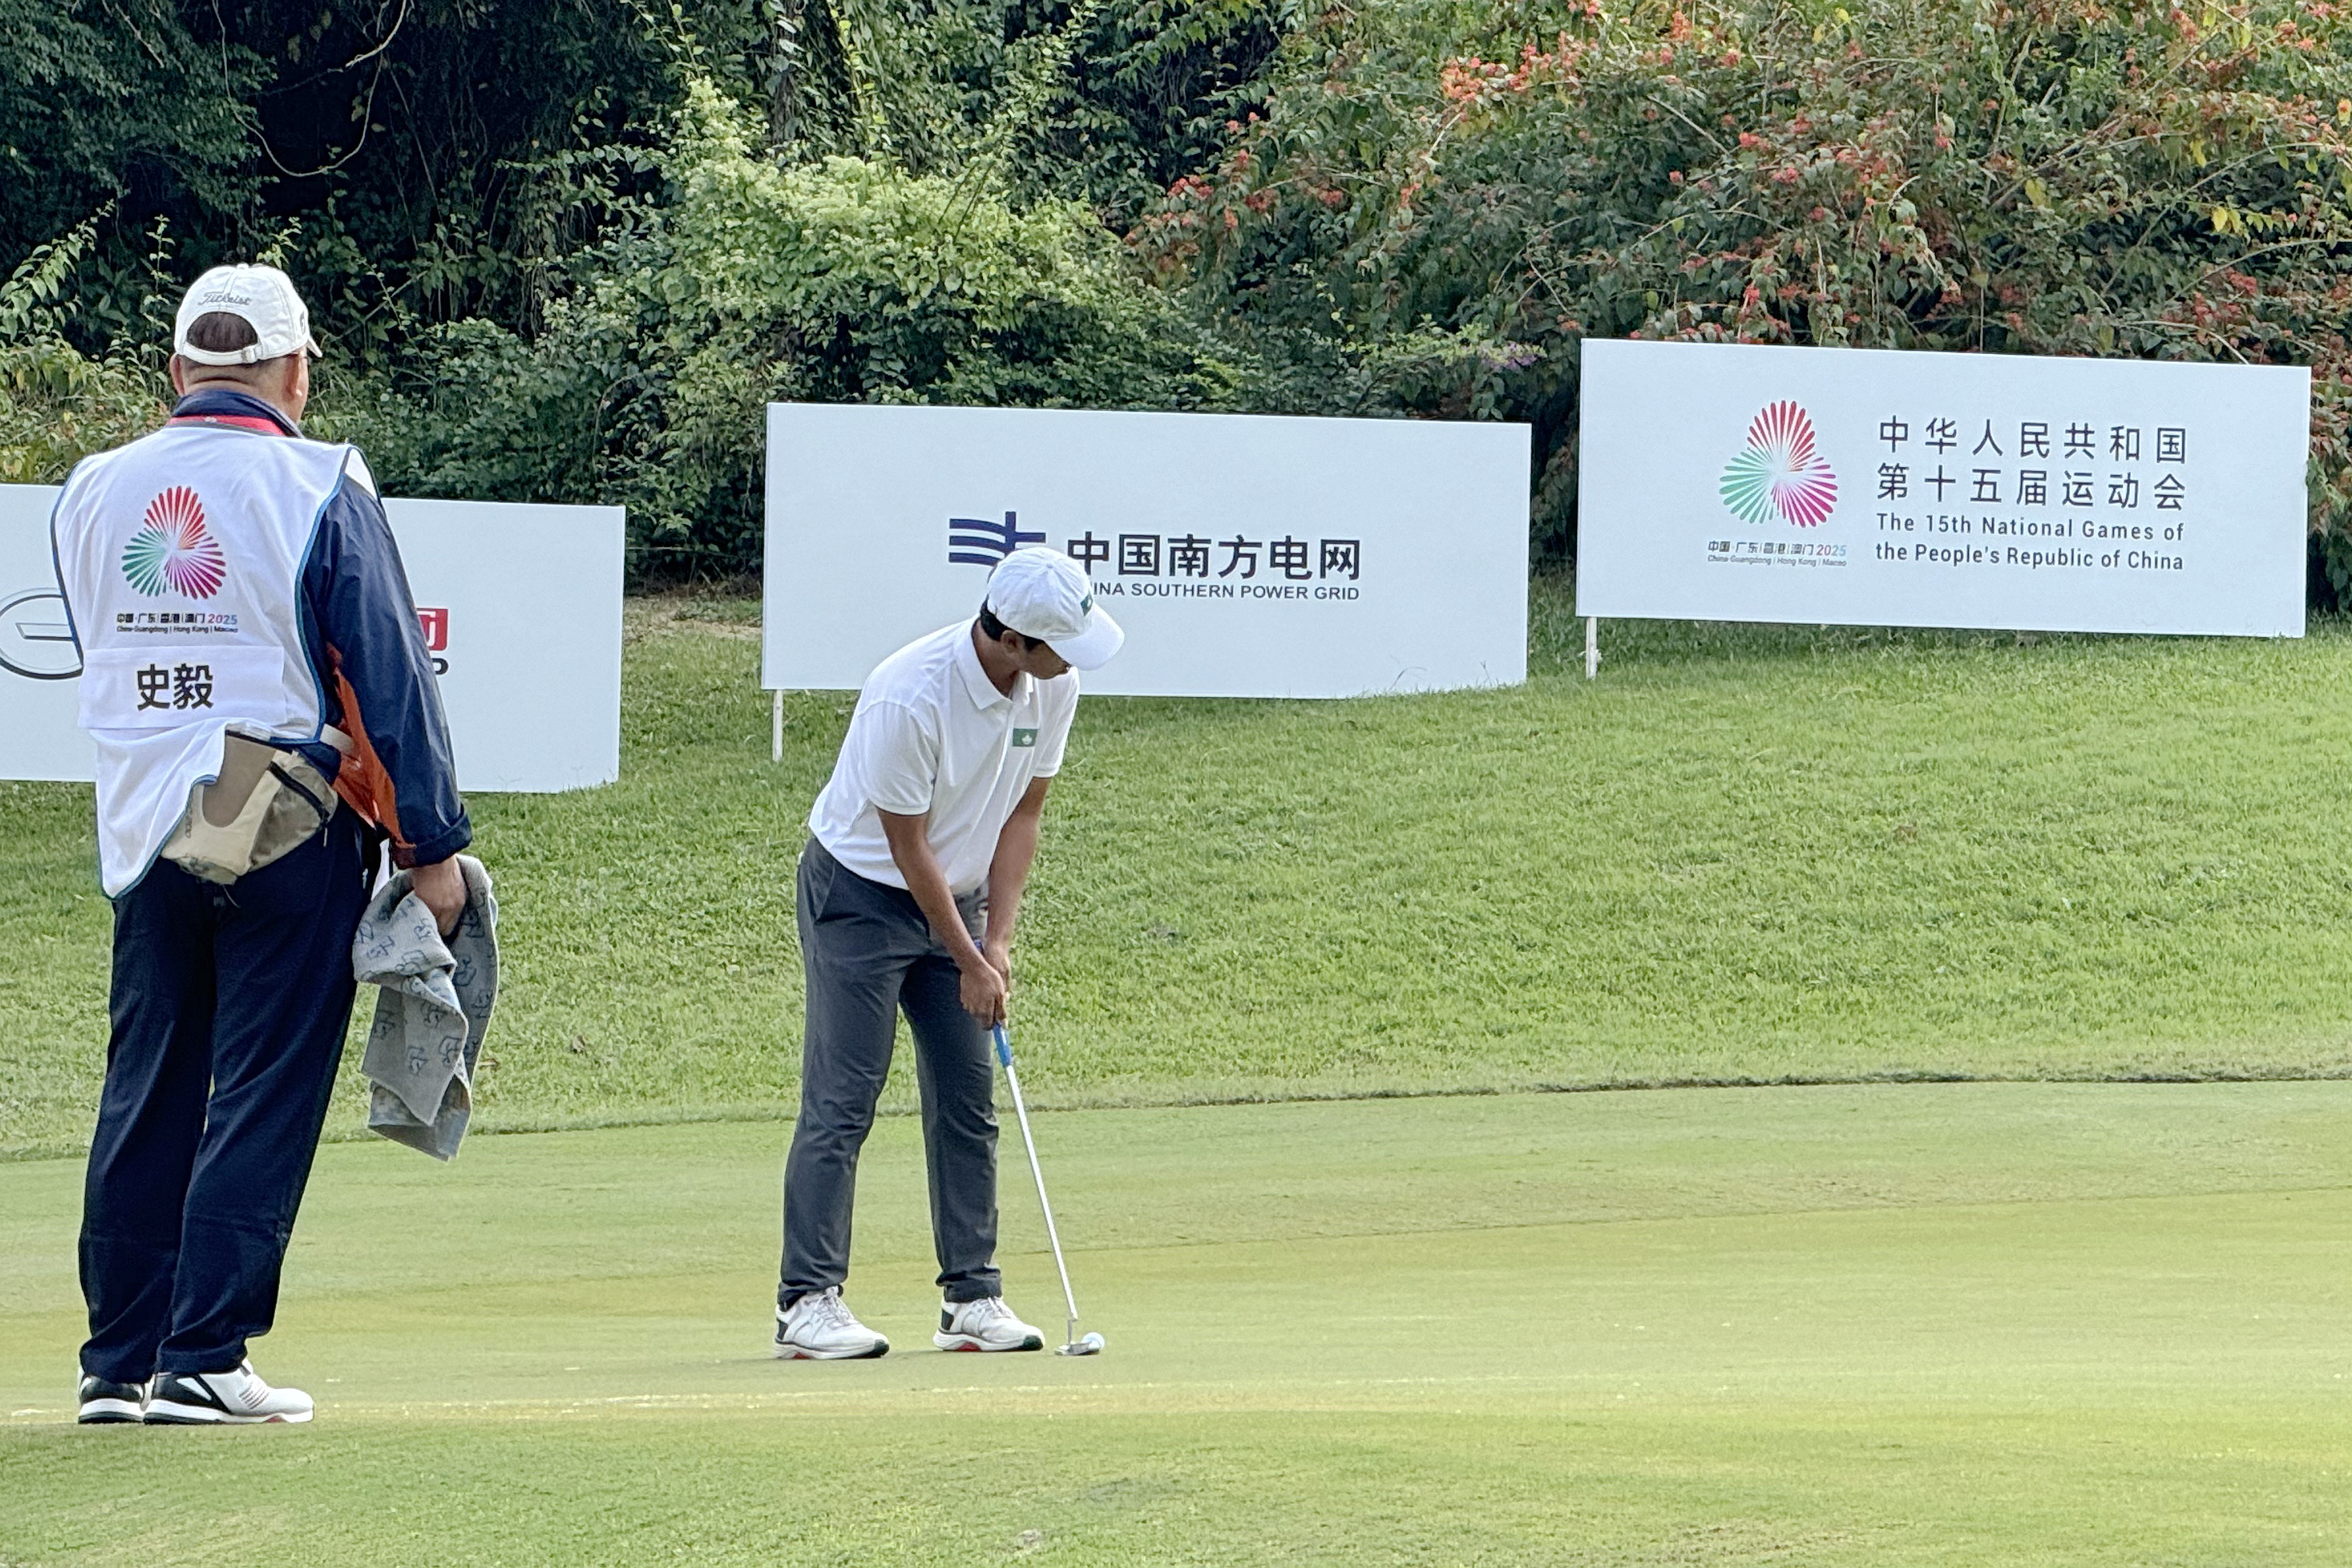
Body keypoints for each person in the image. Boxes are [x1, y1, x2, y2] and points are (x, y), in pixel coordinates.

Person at [51, 264, 471, 1424]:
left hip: (143, 816)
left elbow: (97, 642)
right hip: (282, 803)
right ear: (294, 373)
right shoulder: (321, 477)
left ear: (178, 369)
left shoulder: (90, 488)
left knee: (148, 1082)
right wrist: (431, 843)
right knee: (264, 1084)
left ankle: (117, 1362)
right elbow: (387, 666)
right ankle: (205, 1353)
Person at [775, 547, 1122, 1358]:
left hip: (957, 897)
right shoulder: (909, 696)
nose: (1073, 660)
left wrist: (995, 941)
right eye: (1060, 644)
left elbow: (1024, 815)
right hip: (859, 896)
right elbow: (906, 846)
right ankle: (806, 1302)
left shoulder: (1055, 684)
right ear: (1012, 640)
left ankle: (971, 1296)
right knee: (844, 1097)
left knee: (969, 1098)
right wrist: (967, 957)